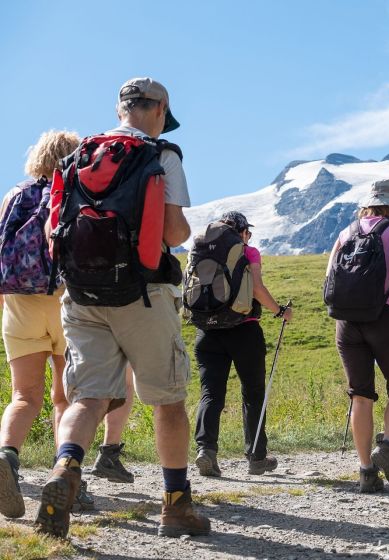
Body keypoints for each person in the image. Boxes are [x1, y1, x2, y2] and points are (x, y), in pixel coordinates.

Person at [34, 78, 210, 538]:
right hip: (142, 294)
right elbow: (173, 234)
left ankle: (65, 468)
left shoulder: (79, 156)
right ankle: (175, 507)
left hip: (82, 295)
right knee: (168, 401)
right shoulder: (160, 155)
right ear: (160, 110)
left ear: (120, 110)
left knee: (89, 397)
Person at [0, 130, 133, 520]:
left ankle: (6, 457)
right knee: (67, 399)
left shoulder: (13, 196)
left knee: (24, 397)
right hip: (65, 301)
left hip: (19, 305)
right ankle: (68, 478)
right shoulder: (74, 191)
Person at [326, 179, 389, 492]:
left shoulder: (347, 231)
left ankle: (367, 471)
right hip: (384, 316)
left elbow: (330, 275)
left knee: (361, 395)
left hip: (347, 322)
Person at [193, 211, 293, 478]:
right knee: (253, 393)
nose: (249, 236)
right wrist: (279, 310)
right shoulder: (249, 252)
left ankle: (206, 450)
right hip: (244, 330)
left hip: (207, 331)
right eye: (247, 232)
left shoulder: (201, 251)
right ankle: (256, 457)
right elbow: (257, 288)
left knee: (210, 393)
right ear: (241, 232)